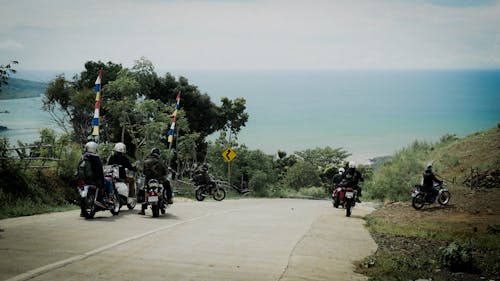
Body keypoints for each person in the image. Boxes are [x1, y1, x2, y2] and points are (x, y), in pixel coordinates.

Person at [139, 148, 173, 215]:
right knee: (167, 184)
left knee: (145, 190)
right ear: (158, 154)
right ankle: (169, 199)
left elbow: (143, 172)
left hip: (148, 180)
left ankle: (142, 209)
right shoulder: (160, 161)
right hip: (159, 180)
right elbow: (165, 171)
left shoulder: (146, 161)